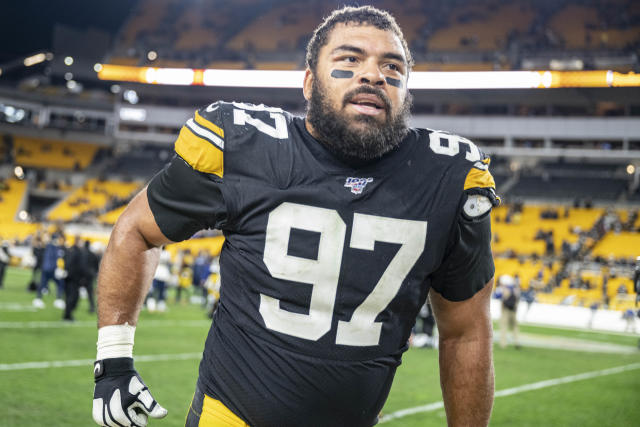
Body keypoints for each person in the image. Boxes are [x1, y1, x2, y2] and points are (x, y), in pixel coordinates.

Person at [92, 6, 499, 427]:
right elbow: (138, 230)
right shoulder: (245, 147)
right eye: (349, 59)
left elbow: (465, 331)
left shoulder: (447, 177)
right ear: (309, 82)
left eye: (392, 66)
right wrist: (113, 360)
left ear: (405, 90)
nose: (374, 75)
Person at [498, 274, 521, 349]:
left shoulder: (505, 289)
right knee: (515, 327)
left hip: (506, 311)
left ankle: (503, 343)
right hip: (513, 311)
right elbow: (517, 300)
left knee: (503, 326)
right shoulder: (515, 289)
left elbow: (503, 300)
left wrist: (502, 310)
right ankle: (517, 341)